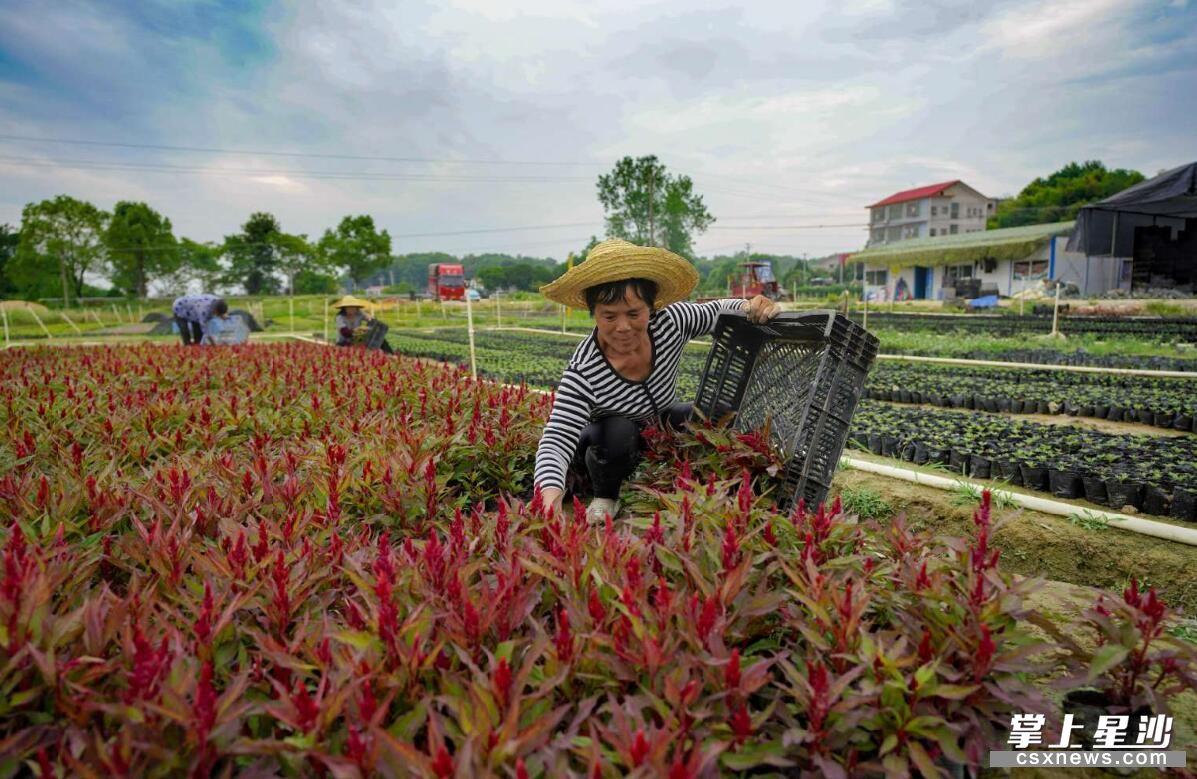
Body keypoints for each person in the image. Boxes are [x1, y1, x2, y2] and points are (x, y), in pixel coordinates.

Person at [534, 239, 782, 522]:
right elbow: (556, 439)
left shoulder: (671, 322)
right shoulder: (584, 370)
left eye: (634, 313)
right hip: (607, 440)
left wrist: (753, 306)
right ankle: (606, 495)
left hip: (657, 420)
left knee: (712, 411)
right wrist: (548, 502)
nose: (623, 327)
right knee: (618, 430)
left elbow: (719, 311)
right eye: (609, 316)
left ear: (651, 308)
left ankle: (716, 483)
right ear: (594, 314)